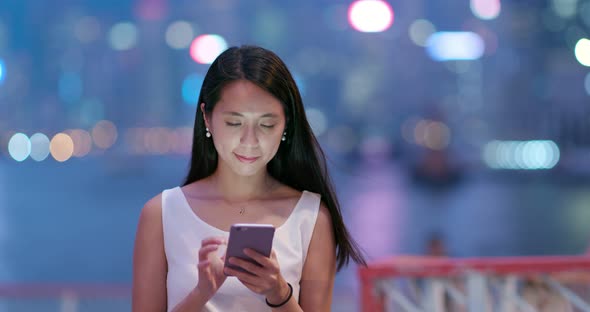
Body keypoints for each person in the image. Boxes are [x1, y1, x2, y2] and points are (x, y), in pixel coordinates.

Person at [132, 45, 366, 311]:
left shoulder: (311, 217)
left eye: (266, 124)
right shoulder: (161, 214)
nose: (250, 141)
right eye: (234, 123)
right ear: (207, 118)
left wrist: (279, 292)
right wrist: (201, 293)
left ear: (286, 124)